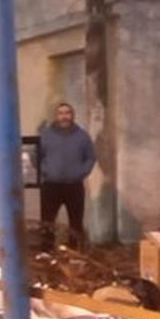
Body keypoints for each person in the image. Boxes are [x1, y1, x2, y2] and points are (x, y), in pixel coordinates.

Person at [38, 102, 95, 251]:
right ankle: (47, 251)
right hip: (51, 185)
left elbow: (90, 157)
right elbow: (35, 156)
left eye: (67, 113)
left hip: (74, 186)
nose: (64, 116)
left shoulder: (82, 136)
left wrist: (81, 173)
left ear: (72, 115)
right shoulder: (46, 135)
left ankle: (75, 251)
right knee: (47, 221)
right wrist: (45, 171)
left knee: (76, 222)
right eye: (61, 113)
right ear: (56, 116)